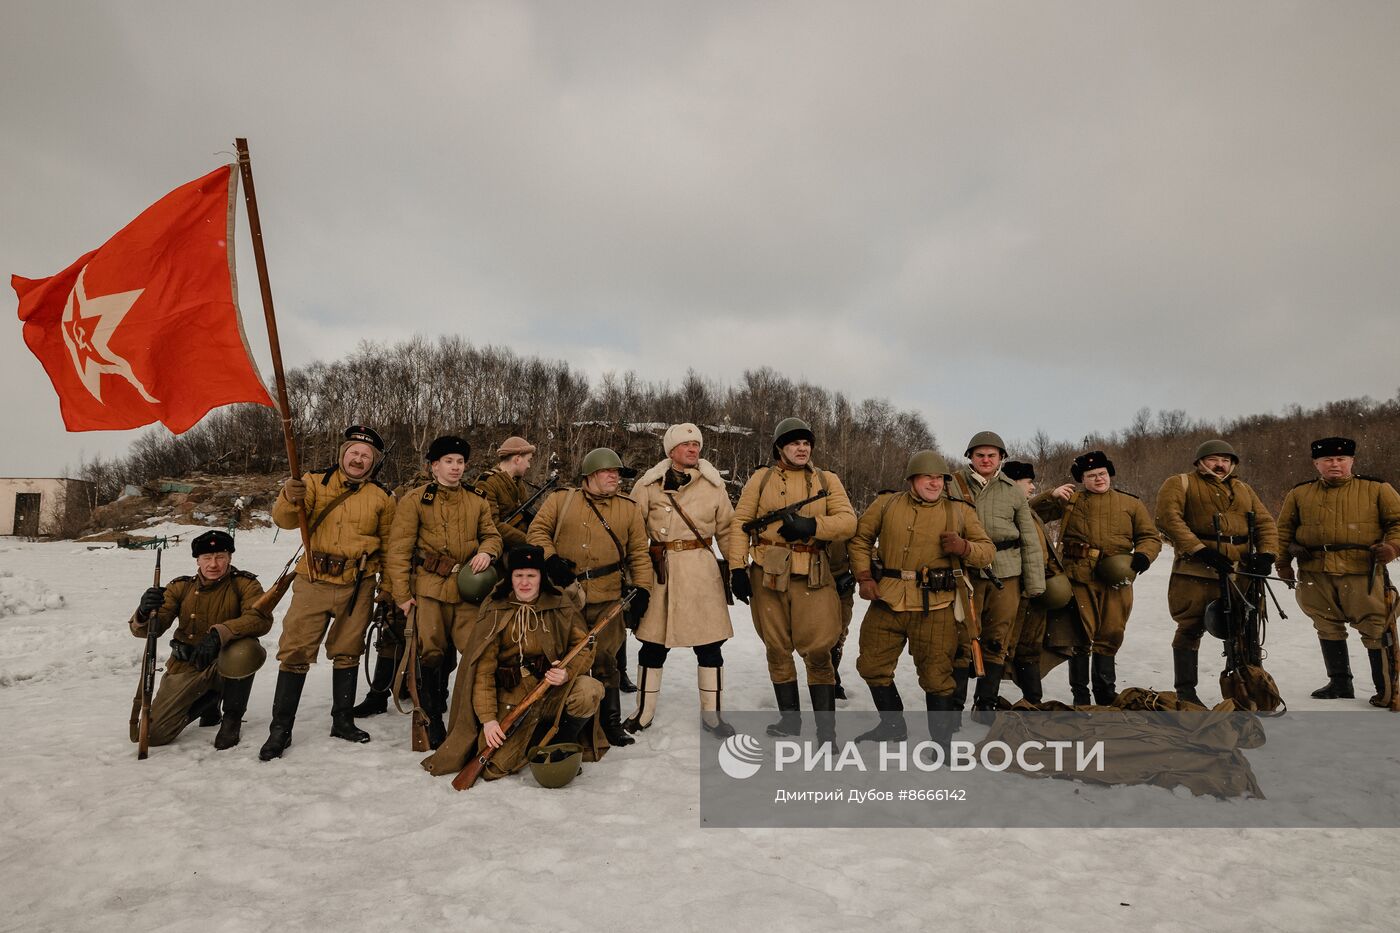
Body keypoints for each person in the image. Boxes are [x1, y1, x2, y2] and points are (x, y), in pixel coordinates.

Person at [259, 425, 397, 760]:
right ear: (343, 454)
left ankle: (343, 720)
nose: (358, 459)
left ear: (373, 462)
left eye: (366, 456)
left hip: (358, 584)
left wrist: (388, 589)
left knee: (348, 651)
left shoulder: (382, 497)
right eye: (354, 452)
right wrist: (288, 496)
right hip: (314, 580)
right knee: (295, 652)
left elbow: (391, 547)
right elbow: (284, 520)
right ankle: (280, 729)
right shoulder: (312, 481)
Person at [420, 545, 606, 781]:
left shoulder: (560, 603)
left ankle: (559, 744)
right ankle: (535, 737)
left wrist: (567, 673)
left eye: (531, 575)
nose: (525, 583)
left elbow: (585, 646)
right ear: (511, 578)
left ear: (541, 577)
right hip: (511, 701)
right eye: (519, 576)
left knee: (589, 690)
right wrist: (488, 720)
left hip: (551, 692)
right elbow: (482, 672)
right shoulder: (496, 608)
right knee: (493, 769)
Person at [848, 450, 994, 747]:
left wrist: (964, 547)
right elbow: (860, 539)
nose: (935, 483)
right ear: (912, 479)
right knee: (872, 665)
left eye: (939, 478)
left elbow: (987, 551)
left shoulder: (960, 511)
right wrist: (863, 577)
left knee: (936, 675)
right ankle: (892, 725)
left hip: (936, 604)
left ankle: (941, 744)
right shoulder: (886, 504)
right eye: (928, 477)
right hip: (887, 599)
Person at [727, 417, 856, 744]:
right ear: (780, 448)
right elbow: (741, 522)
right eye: (794, 443)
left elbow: (847, 522)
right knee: (777, 649)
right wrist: (737, 569)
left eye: (806, 443)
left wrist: (810, 528)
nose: (802, 448)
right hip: (768, 572)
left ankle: (827, 732)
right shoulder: (761, 478)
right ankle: (790, 722)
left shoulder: (827, 480)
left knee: (818, 652)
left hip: (813, 572)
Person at [528, 447, 653, 747]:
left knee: (606, 660)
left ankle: (610, 724)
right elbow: (537, 531)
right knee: (563, 658)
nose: (615, 477)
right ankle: (562, 718)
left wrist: (643, 588)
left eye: (617, 473)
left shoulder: (629, 508)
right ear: (590, 474)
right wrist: (550, 560)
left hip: (608, 597)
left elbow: (638, 553)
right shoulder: (561, 500)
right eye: (608, 472)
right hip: (563, 597)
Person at [384, 435, 503, 747]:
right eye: (448, 462)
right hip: (429, 590)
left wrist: (487, 552)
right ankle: (432, 717)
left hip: (468, 592)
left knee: (477, 652)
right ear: (434, 466)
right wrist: (401, 595)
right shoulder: (414, 500)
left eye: (460, 462)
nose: (455, 468)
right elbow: (398, 551)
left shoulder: (477, 501)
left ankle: (475, 717)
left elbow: (492, 535)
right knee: (431, 655)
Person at [624, 423, 737, 737]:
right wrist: (633, 576)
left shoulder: (714, 486)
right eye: (686, 445)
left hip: (702, 572)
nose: (693, 449)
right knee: (652, 647)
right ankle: (643, 713)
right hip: (661, 572)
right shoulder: (648, 485)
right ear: (671, 450)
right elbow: (632, 529)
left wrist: (738, 567)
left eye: (696, 445)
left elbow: (728, 529)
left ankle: (712, 717)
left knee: (711, 647)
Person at [1276, 436, 1400, 706]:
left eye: (1341, 459)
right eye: (1328, 460)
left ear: (1351, 461)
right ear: (1316, 464)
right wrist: (1283, 563)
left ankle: (1386, 689)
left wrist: (1393, 546)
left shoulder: (1377, 489)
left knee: (1376, 626)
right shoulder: (1299, 493)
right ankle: (1340, 682)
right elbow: (1284, 530)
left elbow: (1398, 522)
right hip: (1315, 571)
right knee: (1326, 624)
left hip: (1361, 572)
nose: (1335, 464)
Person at [1030, 451, 1160, 705]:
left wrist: (1143, 556)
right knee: (1079, 635)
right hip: (1079, 576)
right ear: (1082, 479)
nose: (1098, 479)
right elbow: (1029, 515)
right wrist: (1050, 496)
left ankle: (1105, 692)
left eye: (1102, 473)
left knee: (1111, 634)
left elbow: (1149, 537)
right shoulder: (1070, 501)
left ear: (1109, 474)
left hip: (1117, 577)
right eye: (1091, 476)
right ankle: (1081, 694)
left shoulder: (1131, 504)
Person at [1153, 439, 1278, 705]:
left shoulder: (1244, 488)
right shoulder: (1180, 483)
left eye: (1226, 460)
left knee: (1242, 628)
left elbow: (1266, 522)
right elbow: (1168, 518)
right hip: (1196, 571)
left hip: (1241, 572)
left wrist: (1267, 554)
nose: (1220, 465)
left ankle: (1244, 687)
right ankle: (1186, 691)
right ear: (1200, 462)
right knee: (1190, 627)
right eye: (1213, 459)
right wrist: (1200, 550)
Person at [129, 530, 271, 750]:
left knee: (245, 650)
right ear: (197, 560)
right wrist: (143, 611)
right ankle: (206, 703)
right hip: (188, 664)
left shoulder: (245, 584)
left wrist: (219, 633)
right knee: (152, 735)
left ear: (230, 557)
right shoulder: (180, 587)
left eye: (220, 557)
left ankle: (232, 716)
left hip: (225, 663)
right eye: (207, 558)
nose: (213, 564)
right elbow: (149, 631)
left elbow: (260, 619)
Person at [950, 431, 1045, 714]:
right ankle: (954, 705)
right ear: (970, 458)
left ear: (1001, 458)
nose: (986, 460)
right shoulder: (952, 486)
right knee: (962, 639)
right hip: (966, 573)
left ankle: (986, 702)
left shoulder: (1012, 491)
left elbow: (1028, 537)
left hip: (1007, 573)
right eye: (980, 455)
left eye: (992, 455)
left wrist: (1035, 583)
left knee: (997, 639)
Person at [472, 436, 538, 550]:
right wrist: (530, 540)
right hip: (498, 548)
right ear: (517, 459)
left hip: (519, 544)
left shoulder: (517, 482)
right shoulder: (487, 483)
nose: (529, 465)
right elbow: (492, 526)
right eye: (528, 460)